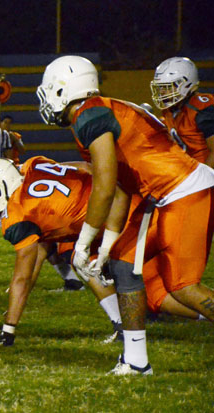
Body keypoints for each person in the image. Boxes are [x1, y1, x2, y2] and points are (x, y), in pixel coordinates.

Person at [37, 55, 214, 375]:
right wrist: (105, 245)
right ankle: (136, 361)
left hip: (185, 191)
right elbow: (120, 186)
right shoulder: (93, 113)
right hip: (163, 196)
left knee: (182, 285)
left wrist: (83, 242)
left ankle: (136, 359)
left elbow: (103, 185)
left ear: (65, 89)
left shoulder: (89, 115)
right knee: (120, 260)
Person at [0, 157, 209, 349]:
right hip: (125, 202)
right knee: (83, 260)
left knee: (161, 291)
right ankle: (123, 326)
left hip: (122, 218)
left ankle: (138, 331)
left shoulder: (18, 213)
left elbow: (23, 277)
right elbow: (85, 167)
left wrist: (8, 329)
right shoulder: (34, 164)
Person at [150, 57, 214, 168]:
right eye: (160, 88)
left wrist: (204, 179)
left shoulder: (201, 109)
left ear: (186, 84)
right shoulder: (170, 111)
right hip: (189, 173)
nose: (162, 92)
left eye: (168, 87)